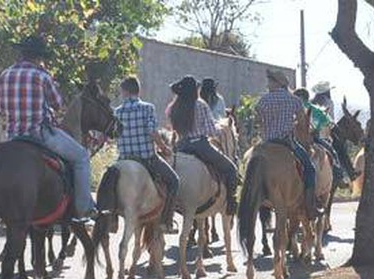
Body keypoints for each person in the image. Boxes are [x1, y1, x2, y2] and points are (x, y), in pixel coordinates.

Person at [0, 35, 97, 221]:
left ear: (22, 53)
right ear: (39, 57)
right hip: (39, 134)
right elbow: (58, 104)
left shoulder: (5, 75)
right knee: (82, 156)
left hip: (11, 137)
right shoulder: (42, 75)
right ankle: (84, 209)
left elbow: (1, 108)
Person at [114, 76, 179, 232]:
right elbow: (152, 132)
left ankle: (111, 219)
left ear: (124, 91)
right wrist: (163, 148)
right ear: (138, 90)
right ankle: (166, 221)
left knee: (108, 182)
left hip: (123, 159)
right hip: (147, 159)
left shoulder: (117, 111)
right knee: (174, 181)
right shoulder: (147, 108)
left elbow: (113, 134)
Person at [168, 75, 239, 215]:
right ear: (195, 90)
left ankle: (168, 209)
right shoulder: (201, 105)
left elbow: (174, 128)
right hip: (200, 145)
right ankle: (231, 202)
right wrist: (222, 128)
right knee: (231, 169)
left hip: (180, 146)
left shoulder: (174, 107)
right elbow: (210, 130)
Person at [255, 69, 318, 220]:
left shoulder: (263, 101)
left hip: (267, 144)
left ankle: (250, 199)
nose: (268, 83)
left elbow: (258, 122)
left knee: (250, 165)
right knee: (310, 168)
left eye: (271, 80)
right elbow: (303, 124)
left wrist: (265, 133)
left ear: (277, 83)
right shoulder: (294, 100)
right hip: (287, 142)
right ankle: (310, 205)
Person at [293, 88, 348, 188]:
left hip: (293, 138)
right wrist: (316, 128)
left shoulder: (292, 108)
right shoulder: (314, 108)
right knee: (331, 151)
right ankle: (339, 177)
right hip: (312, 138)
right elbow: (325, 121)